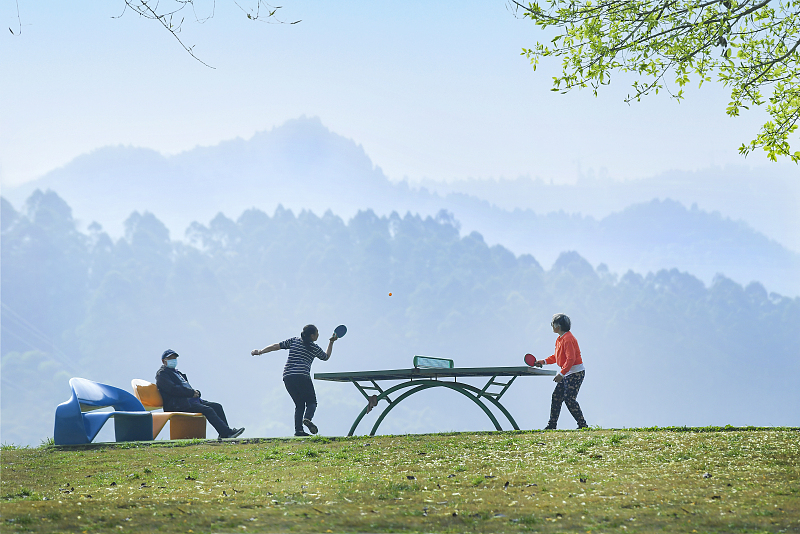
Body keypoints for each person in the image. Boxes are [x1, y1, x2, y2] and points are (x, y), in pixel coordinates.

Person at [251, 324, 336, 437]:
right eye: (317, 333)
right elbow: (326, 357)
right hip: (302, 376)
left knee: (299, 404)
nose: (318, 335)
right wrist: (331, 342)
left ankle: (299, 431)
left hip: (288, 377)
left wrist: (260, 351)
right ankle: (307, 418)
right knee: (311, 402)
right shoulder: (314, 347)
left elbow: (276, 346)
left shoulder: (294, 341)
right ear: (312, 335)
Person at [156, 349, 245, 439]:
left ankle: (224, 433)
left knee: (217, 406)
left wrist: (196, 393)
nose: (173, 360)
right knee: (208, 410)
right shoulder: (162, 374)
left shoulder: (177, 373)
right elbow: (173, 389)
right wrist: (191, 393)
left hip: (189, 401)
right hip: (177, 404)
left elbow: (186, 387)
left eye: (174, 358)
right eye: (170, 358)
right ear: (164, 361)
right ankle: (227, 433)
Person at [533, 314, 588, 430]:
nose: (552, 326)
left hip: (575, 373)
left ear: (558, 326)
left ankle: (583, 425)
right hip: (568, 372)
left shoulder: (568, 339)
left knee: (569, 399)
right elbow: (557, 357)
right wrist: (543, 361)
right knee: (556, 396)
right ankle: (552, 424)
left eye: (552, 324)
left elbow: (571, 359)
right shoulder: (560, 339)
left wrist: (561, 374)